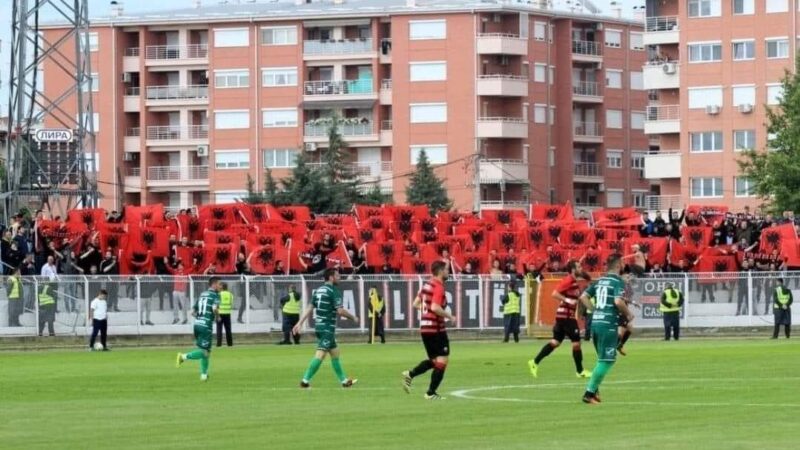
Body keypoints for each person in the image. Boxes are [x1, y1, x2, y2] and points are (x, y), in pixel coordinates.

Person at [579, 254, 633, 404]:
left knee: (601, 359)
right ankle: (589, 394)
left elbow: (583, 297)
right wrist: (628, 314)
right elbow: (617, 301)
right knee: (607, 361)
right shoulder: (618, 282)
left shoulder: (599, 281)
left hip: (596, 323)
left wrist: (595, 310)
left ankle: (594, 392)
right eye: (622, 263)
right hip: (608, 325)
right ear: (618, 265)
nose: (624, 265)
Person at [293, 268, 358, 388]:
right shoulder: (333, 291)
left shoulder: (318, 290)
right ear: (331, 277)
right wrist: (353, 317)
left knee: (335, 353)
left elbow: (310, 307)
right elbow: (340, 310)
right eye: (337, 275)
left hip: (320, 327)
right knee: (320, 354)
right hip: (327, 327)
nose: (339, 277)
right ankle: (305, 380)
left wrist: (300, 323)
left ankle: (344, 381)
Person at [528, 260, 593, 379]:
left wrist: (592, 309)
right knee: (576, 343)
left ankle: (534, 362)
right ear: (573, 270)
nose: (581, 269)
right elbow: (554, 293)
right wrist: (567, 300)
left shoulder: (574, 281)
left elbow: (581, 295)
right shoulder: (568, 280)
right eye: (578, 267)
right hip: (566, 317)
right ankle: (580, 371)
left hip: (562, 316)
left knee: (555, 342)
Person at [401, 261, 454, 400]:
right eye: (447, 270)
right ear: (441, 271)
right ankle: (430, 393)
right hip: (436, 329)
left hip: (425, 328)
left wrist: (427, 312)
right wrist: (449, 316)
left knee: (434, 361)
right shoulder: (438, 287)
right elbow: (436, 307)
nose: (449, 272)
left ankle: (410, 374)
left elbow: (415, 304)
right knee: (442, 361)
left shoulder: (426, 285)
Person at [176, 277, 221, 381]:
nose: (220, 286)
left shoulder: (202, 294)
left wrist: (200, 318)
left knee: (206, 352)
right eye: (219, 284)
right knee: (204, 352)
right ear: (213, 284)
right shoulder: (215, 295)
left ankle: (204, 376)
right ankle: (182, 357)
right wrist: (218, 317)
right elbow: (214, 308)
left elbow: (193, 312)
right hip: (206, 326)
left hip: (197, 325)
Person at [216, 282, 233, 347]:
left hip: (220, 313)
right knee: (228, 330)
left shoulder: (219, 294)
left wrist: (217, 315)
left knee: (219, 330)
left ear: (221, 287)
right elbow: (231, 304)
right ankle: (230, 344)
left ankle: (219, 345)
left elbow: (216, 305)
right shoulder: (230, 295)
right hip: (227, 313)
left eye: (220, 286)